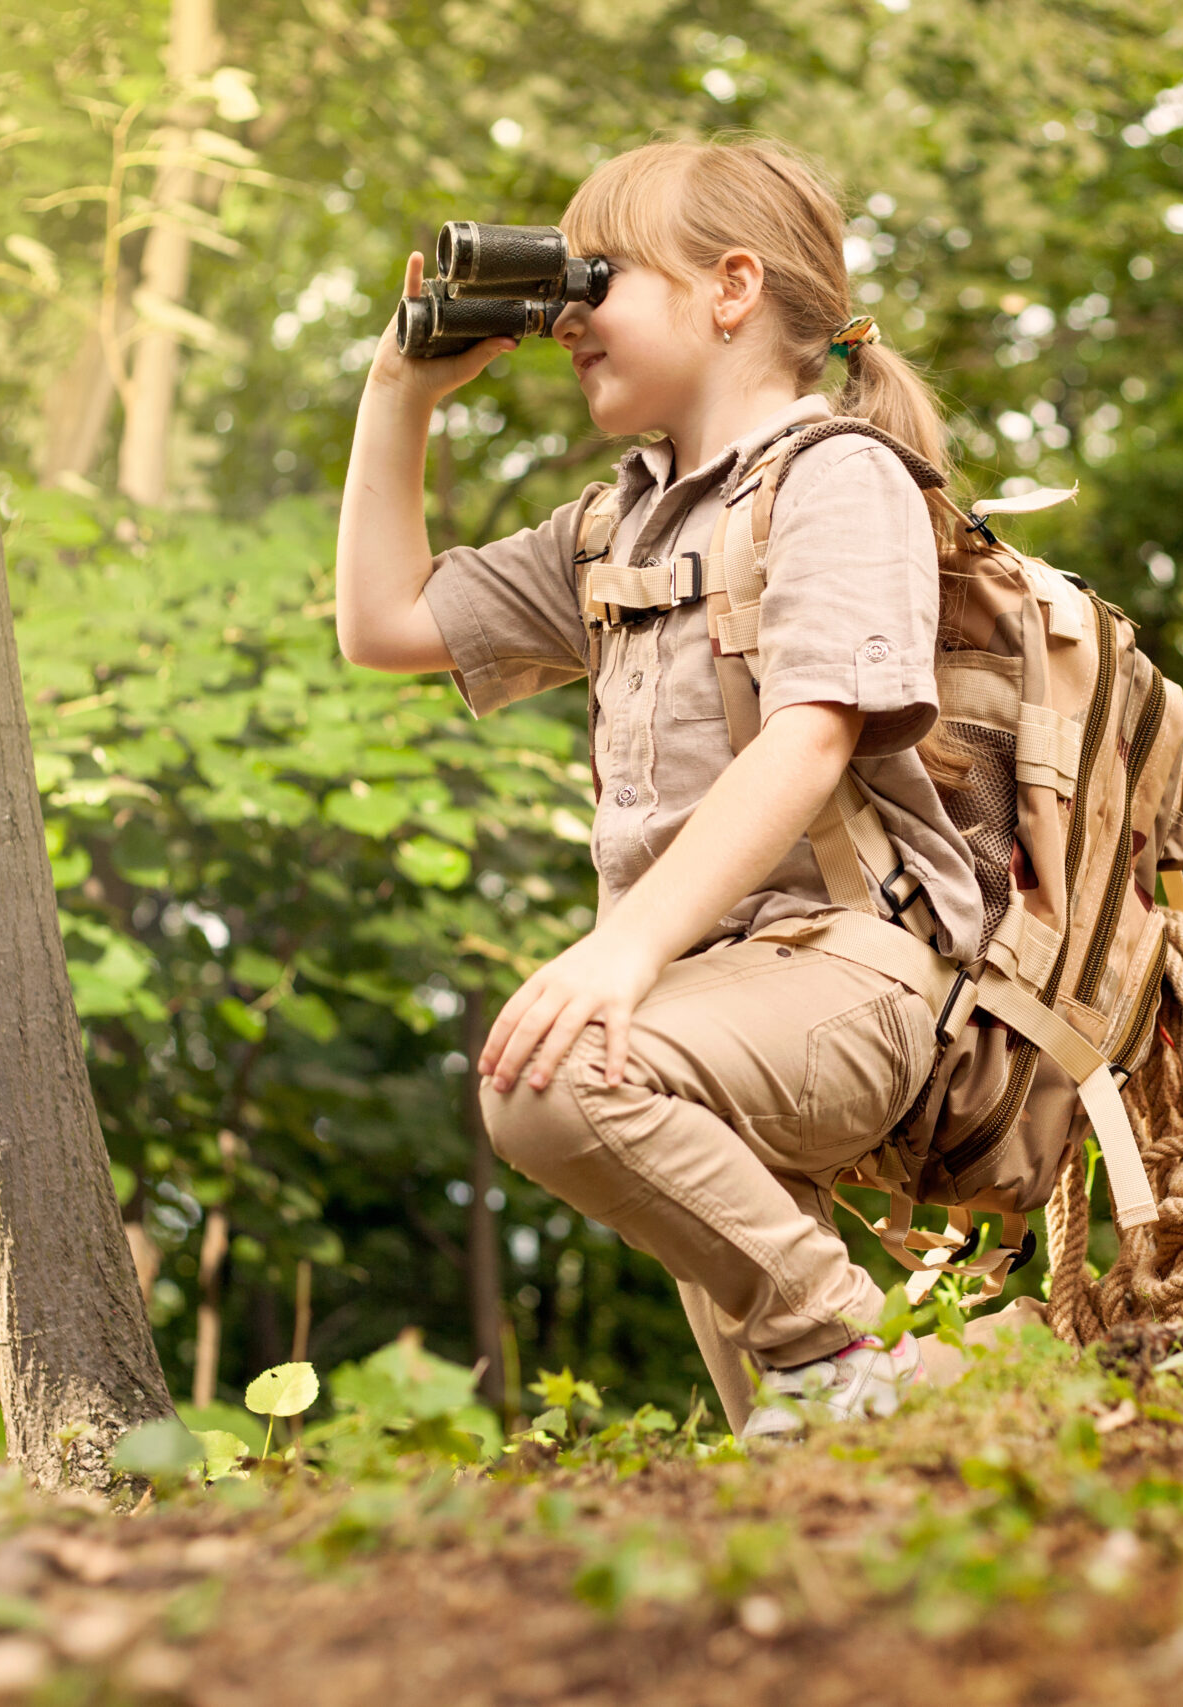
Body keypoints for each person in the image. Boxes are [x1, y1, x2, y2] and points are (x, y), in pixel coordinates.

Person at [331, 137, 985, 1444]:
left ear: (731, 290)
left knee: (554, 1077)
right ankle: (924, 1433)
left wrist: (617, 957)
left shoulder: (836, 476)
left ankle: (885, 1362)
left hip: (851, 972)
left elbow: (812, 736)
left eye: (603, 275)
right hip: (710, 997)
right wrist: (396, 390)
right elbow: (384, 622)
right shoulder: (619, 527)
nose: (570, 316)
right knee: (818, 1456)